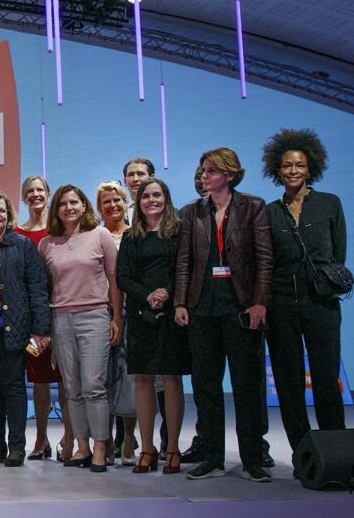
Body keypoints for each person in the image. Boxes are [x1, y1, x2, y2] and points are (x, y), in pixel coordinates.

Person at [174, 148, 273, 483]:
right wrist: (181, 303)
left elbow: (263, 258)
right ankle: (213, 457)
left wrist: (259, 301)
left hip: (240, 306)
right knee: (206, 385)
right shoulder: (192, 212)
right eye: (203, 170)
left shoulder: (252, 207)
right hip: (203, 308)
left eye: (211, 170)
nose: (205, 176)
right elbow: (184, 261)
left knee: (246, 385)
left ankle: (252, 458)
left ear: (230, 174)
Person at [262, 129, 348, 473]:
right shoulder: (269, 212)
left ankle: (337, 454)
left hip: (321, 304)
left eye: (299, 165)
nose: (293, 170)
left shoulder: (330, 203)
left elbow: (337, 253)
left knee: (327, 379)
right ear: (277, 170)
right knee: (288, 380)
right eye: (287, 165)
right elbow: (265, 261)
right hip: (281, 304)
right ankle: (304, 456)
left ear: (310, 168)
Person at [39, 184, 121, 473]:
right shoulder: (47, 244)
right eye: (63, 204)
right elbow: (46, 289)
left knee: (93, 386)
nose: (69, 208)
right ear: (56, 210)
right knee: (71, 388)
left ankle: (101, 446)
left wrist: (117, 319)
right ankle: (82, 445)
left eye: (74, 202)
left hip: (95, 316)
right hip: (61, 320)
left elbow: (114, 280)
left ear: (84, 205)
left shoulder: (100, 235)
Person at [0, 191, 50, 467]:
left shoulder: (21, 245)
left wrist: (40, 329)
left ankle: (17, 445)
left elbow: (37, 287)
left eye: (3, 211)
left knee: (13, 388)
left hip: (12, 326)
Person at [117, 178, 189, 475]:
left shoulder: (179, 232)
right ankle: (147, 448)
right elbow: (123, 277)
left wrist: (166, 294)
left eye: (157, 195)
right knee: (143, 380)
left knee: (171, 379)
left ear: (166, 198)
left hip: (173, 314)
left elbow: (186, 268)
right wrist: (147, 296)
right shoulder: (131, 236)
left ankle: (172, 448)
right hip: (140, 314)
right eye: (146, 196)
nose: (151, 200)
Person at [14, 175, 71, 461]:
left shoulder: (61, 232)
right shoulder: (16, 233)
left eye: (40, 190)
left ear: (48, 195)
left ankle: (70, 438)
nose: (35, 195)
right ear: (23, 198)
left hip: (62, 310)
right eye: (30, 191)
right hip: (31, 317)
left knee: (65, 377)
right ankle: (40, 440)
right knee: (38, 379)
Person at [97, 181, 136, 466]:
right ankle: (106, 440)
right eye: (105, 202)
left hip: (134, 314)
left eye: (116, 200)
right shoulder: (95, 236)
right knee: (104, 379)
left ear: (125, 203)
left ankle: (129, 441)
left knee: (130, 379)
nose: (112, 206)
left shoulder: (137, 234)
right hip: (103, 313)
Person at [122, 158, 155, 223]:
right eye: (131, 175)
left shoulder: (168, 212)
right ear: (125, 181)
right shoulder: (117, 213)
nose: (135, 179)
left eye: (140, 174)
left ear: (151, 178)